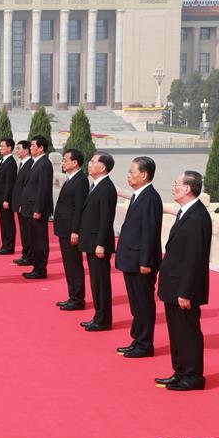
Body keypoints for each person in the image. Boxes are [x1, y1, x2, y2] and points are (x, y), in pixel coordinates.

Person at [156, 171, 212, 391]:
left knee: (188, 332)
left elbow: (195, 258)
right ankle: (179, 371)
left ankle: (193, 376)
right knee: (177, 332)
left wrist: (186, 291)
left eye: (176, 184)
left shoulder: (197, 216)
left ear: (187, 188)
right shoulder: (185, 212)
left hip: (184, 288)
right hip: (173, 284)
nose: (173, 188)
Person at [115, 157, 163, 358]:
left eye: (132, 172)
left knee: (143, 304)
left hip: (141, 262)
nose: (128, 175)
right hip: (132, 259)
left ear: (144, 175)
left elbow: (150, 232)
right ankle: (137, 340)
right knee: (136, 304)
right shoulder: (139, 195)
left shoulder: (150, 197)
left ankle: (144, 344)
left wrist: (145, 261)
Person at [78, 152, 117, 331]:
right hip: (91, 241)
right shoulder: (96, 185)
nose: (89, 163)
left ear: (102, 167)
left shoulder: (107, 188)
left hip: (98, 244)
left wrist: (101, 243)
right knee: (95, 282)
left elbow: (106, 219)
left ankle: (103, 320)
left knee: (101, 283)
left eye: (93, 161)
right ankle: (98, 316)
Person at [53, 149, 89, 310]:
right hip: (64, 228)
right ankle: (73, 295)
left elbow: (79, 208)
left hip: (71, 230)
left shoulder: (80, 180)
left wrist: (76, 230)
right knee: (69, 265)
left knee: (74, 265)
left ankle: (78, 299)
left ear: (75, 163)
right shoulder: (70, 178)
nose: (63, 162)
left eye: (65, 160)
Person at [18, 135, 53, 279]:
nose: (31, 148)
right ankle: (36, 267)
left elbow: (43, 189)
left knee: (40, 240)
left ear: (41, 148)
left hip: (36, 209)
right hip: (29, 207)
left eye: (33, 146)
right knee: (33, 239)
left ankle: (40, 269)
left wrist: (38, 209)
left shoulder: (44, 164)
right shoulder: (36, 162)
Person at [0, 138, 18, 255]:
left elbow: (10, 183)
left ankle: (9, 247)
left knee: (8, 223)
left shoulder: (11, 163)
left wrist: (7, 199)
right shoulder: (4, 161)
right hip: (1, 198)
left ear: (9, 148)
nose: (0, 148)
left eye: (3, 146)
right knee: (4, 223)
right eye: (0, 146)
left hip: (5, 199)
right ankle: (5, 245)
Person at [11, 140, 33, 266]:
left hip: (25, 204)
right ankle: (25, 254)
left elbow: (26, 187)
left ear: (26, 150)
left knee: (27, 232)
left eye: (18, 148)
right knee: (24, 232)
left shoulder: (30, 164)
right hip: (20, 204)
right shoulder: (22, 164)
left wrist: (21, 203)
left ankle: (29, 256)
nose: (16, 151)